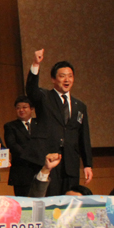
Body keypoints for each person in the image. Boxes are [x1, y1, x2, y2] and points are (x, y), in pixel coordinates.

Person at [26, 49, 92, 196]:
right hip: (49, 159)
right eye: (62, 76)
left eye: (70, 76)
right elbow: (31, 90)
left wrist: (87, 164)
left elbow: (84, 136)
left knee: (71, 200)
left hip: (71, 162)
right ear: (53, 79)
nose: (67, 80)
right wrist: (36, 64)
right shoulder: (44, 97)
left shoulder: (80, 106)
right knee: (51, 199)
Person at [4, 96, 42, 197]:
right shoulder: (10, 126)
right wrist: (32, 157)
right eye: (18, 108)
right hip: (21, 171)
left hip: (39, 169)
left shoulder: (40, 124)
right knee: (24, 201)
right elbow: (12, 145)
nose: (21, 110)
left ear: (32, 109)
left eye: (24, 107)